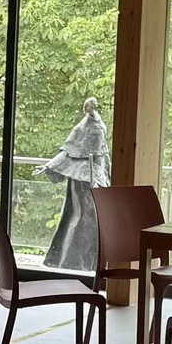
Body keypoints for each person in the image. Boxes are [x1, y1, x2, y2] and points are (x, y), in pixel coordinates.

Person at [40, 98, 108, 270]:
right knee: (79, 219)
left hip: (94, 179)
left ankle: (89, 262)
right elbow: (68, 151)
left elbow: (102, 155)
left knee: (90, 221)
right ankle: (73, 261)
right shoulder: (83, 127)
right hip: (80, 180)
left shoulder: (98, 125)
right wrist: (50, 166)